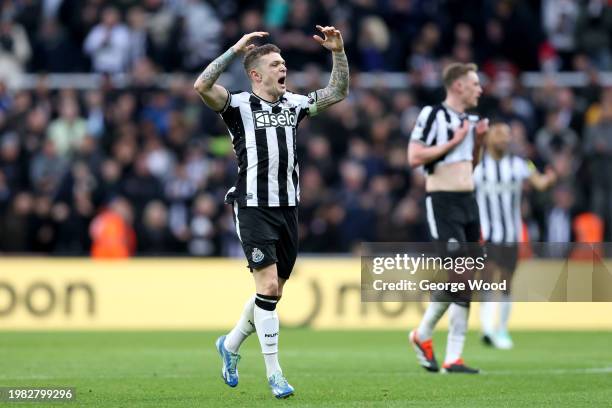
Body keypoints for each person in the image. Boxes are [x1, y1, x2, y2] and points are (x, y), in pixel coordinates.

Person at [193, 26, 349, 398]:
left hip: (288, 208)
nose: (284, 69)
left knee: (273, 292)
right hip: (252, 206)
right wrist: (234, 49)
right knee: (265, 286)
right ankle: (275, 373)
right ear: (256, 74)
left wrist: (338, 52)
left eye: (284, 64)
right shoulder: (237, 105)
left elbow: (338, 91)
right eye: (276, 64)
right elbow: (201, 86)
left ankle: (229, 345)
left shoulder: (294, 105)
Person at [407, 62, 488, 374]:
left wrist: (477, 141)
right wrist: (455, 140)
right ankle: (422, 334)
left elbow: (470, 166)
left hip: (469, 202)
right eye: (475, 83)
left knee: (467, 279)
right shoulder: (432, 115)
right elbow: (414, 157)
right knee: (459, 274)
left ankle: (453, 357)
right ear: (458, 86)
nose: (479, 89)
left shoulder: (471, 120)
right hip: (442, 202)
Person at [475, 122, 556, 349]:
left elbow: (539, 182)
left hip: (511, 232)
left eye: (507, 135)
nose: (504, 138)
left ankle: (501, 329)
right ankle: (487, 328)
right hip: (488, 232)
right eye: (499, 134)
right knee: (487, 276)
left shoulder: (519, 165)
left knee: (506, 281)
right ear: (489, 138)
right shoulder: (478, 167)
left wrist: (549, 179)